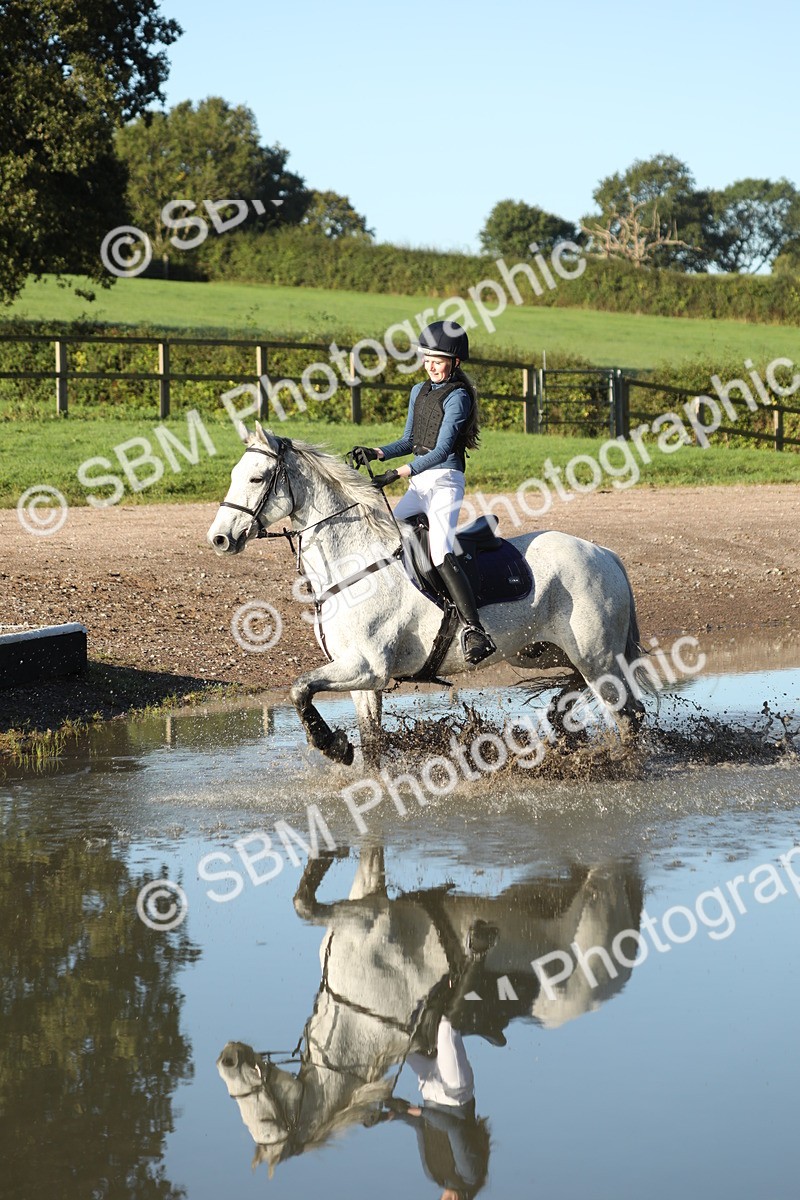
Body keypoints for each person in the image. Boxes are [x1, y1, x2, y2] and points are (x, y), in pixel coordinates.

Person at [348, 321, 497, 666]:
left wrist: (397, 474)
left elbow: (443, 449)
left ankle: (474, 628)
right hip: (419, 482)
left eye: (439, 359)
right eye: (427, 358)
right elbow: (409, 442)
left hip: (445, 480)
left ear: (455, 363)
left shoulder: (459, 396)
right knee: (390, 537)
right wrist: (376, 452)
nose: (431, 364)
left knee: (440, 548)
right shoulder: (419, 391)